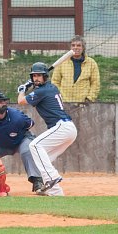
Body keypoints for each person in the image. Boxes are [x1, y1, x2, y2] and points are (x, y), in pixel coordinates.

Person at [17, 62, 77, 196]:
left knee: (34, 145)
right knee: (44, 159)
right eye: (34, 76)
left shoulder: (42, 91)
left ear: (45, 77)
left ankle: (52, 178)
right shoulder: (51, 88)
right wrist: (31, 87)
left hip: (62, 127)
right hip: (68, 129)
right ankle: (55, 191)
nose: (36, 78)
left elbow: (21, 101)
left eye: (39, 76)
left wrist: (22, 90)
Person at [0, 90, 45, 195]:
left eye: (0, 101)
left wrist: (18, 133)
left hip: (20, 141)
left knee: (29, 149)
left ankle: (37, 181)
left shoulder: (17, 117)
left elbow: (30, 124)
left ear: (6, 103)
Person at [51, 35, 100, 102]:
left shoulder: (91, 63)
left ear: (83, 48)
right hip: (64, 102)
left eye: (78, 45)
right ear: (70, 47)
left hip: (83, 103)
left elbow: (95, 83)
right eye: (73, 45)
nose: (75, 47)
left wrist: (89, 98)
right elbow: (55, 81)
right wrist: (59, 97)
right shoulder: (62, 62)